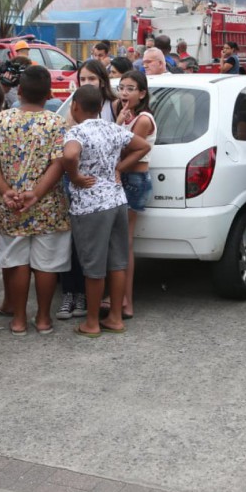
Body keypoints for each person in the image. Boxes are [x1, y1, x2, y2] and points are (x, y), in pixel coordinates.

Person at [0, 65, 71, 336]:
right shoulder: (57, 123)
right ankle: (43, 319)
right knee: (47, 264)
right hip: (48, 206)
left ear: (19, 91)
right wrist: (37, 193)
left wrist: (5, 190)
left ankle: (19, 320)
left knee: (16, 261)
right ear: (49, 94)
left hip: (11, 206)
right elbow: (60, 162)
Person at [64, 86, 151, 337]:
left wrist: (75, 176)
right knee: (117, 262)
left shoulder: (77, 131)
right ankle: (115, 317)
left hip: (90, 206)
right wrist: (119, 168)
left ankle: (91, 322)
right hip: (117, 200)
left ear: (75, 106)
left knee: (93, 265)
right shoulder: (113, 128)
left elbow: (70, 155)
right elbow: (143, 146)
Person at [57, 60, 119, 320]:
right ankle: (71, 292)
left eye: (92, 79)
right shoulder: (74, 107)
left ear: (102, 81)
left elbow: (129, 143)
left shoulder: (113, 108)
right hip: (78, 188)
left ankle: (88, 297)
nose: (87, 84)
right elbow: (65, 147)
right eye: (83, 79)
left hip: (101, 192)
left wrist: (117, 168)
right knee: (73, 242)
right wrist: (74, 177)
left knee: (97, 250)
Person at [114, 69, 156, 319]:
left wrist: (118, 168)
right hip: (128, 178)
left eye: (130, 88)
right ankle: (122, 298)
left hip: (134, 179)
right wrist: (119, 120)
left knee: (125, 243)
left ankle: (126, 301)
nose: (124, 93)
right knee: (122, 242)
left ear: (142, 93)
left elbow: (125, 148)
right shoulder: (128, 116)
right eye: (121, 88)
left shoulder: (142, 119)